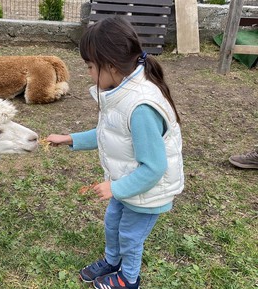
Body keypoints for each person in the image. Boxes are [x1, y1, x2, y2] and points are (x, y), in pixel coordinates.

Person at [46, 16, 184, 289]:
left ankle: (128, 278)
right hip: (127, 184)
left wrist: (116, 187)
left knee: (131, 236)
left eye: (89, 66)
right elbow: (108, 134)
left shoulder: (140, 107)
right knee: (113, 223)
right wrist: (70, 139)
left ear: (110, 65)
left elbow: (154, 167)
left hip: (146, 191)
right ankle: (112, 261)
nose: (88, 73)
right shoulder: (120, 93)